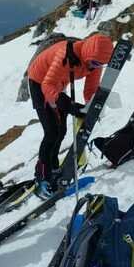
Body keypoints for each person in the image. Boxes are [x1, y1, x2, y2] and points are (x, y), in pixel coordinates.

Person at [27, 33, 114, 192]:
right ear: (87, 53)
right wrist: (63, 101)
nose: (95, 66)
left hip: (58, 83)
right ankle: (41, 176)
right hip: (39, 81)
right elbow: (47, 85)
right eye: (95, 62)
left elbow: (91, 90)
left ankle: (53, 167)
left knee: (61, 130)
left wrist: (90, 108)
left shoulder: (95, 62)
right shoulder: (65, 54)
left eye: (100, 64)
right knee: (52, 131)